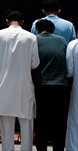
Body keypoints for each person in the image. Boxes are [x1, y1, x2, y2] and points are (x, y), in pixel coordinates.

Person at [0, 10, 39, 151]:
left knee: (6, 127)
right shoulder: (31, 37)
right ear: (22, 22)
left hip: (4, 86)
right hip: (25, 86)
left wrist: (5, 66)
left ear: (7, 20)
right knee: (27, 126)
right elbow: (35, 63)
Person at [30, 18, 68, 151]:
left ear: (38, 29)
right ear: (53, 30)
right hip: (61, 87)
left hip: (41, 86)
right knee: (59, 121)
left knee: (41, 121)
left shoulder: (34, 40)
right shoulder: (62, 41)